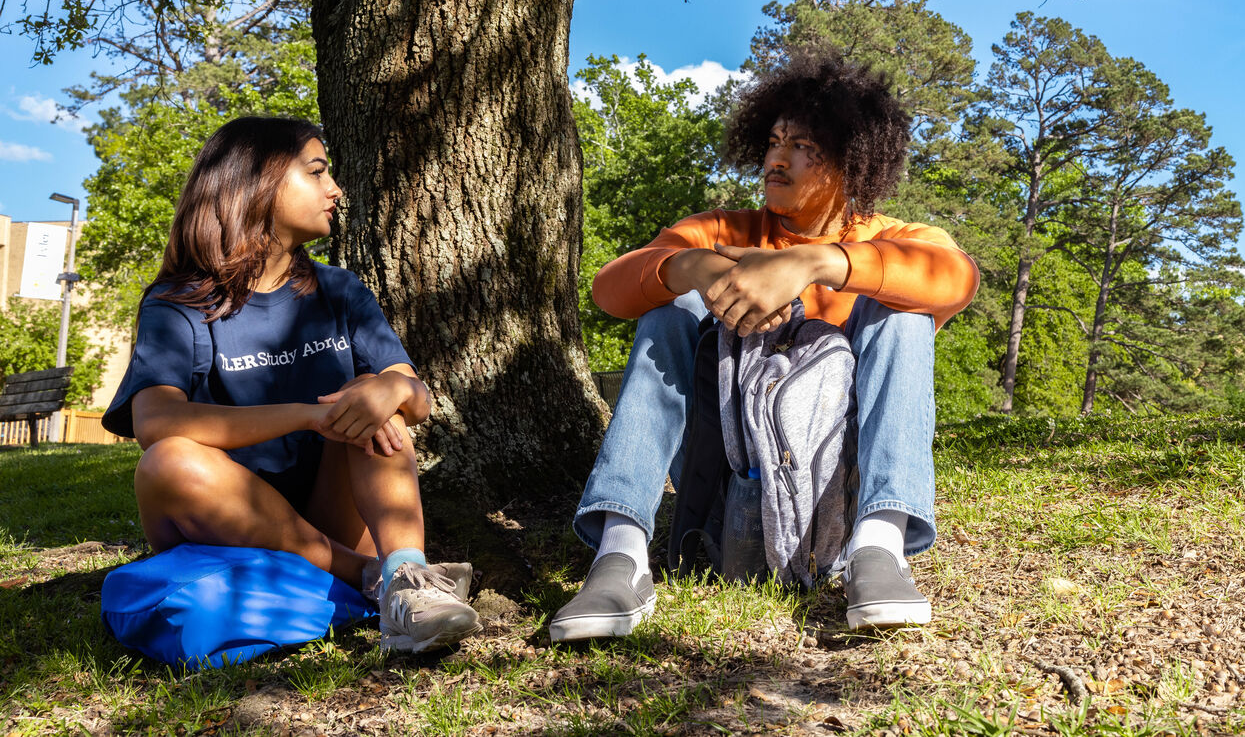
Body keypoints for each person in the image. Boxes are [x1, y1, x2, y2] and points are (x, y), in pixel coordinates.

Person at [550, 52, 979, 641]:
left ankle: (880, 548)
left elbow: (957, 277)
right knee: (670, 307)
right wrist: (696, 266)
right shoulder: (724, 230)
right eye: (775, 139)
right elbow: (609, 289)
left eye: (803, 145)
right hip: (727, 490)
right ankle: (620, 555)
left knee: (904, 313)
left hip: (834, 492)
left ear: (852, 161)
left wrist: (812, 262)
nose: (778, 157)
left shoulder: (896, 238)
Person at [103, 117, 479, 653]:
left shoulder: (340, 289)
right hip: (224, 519)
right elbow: (156, 423)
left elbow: (414, 396)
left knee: (377, 406)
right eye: (318, 172)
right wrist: (308, 414)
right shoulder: (178, 302)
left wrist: (389, 390)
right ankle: (365, 576)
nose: (335, 190)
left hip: (334, 510)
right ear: (258, 182)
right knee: (168, 461)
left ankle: (408, 581)